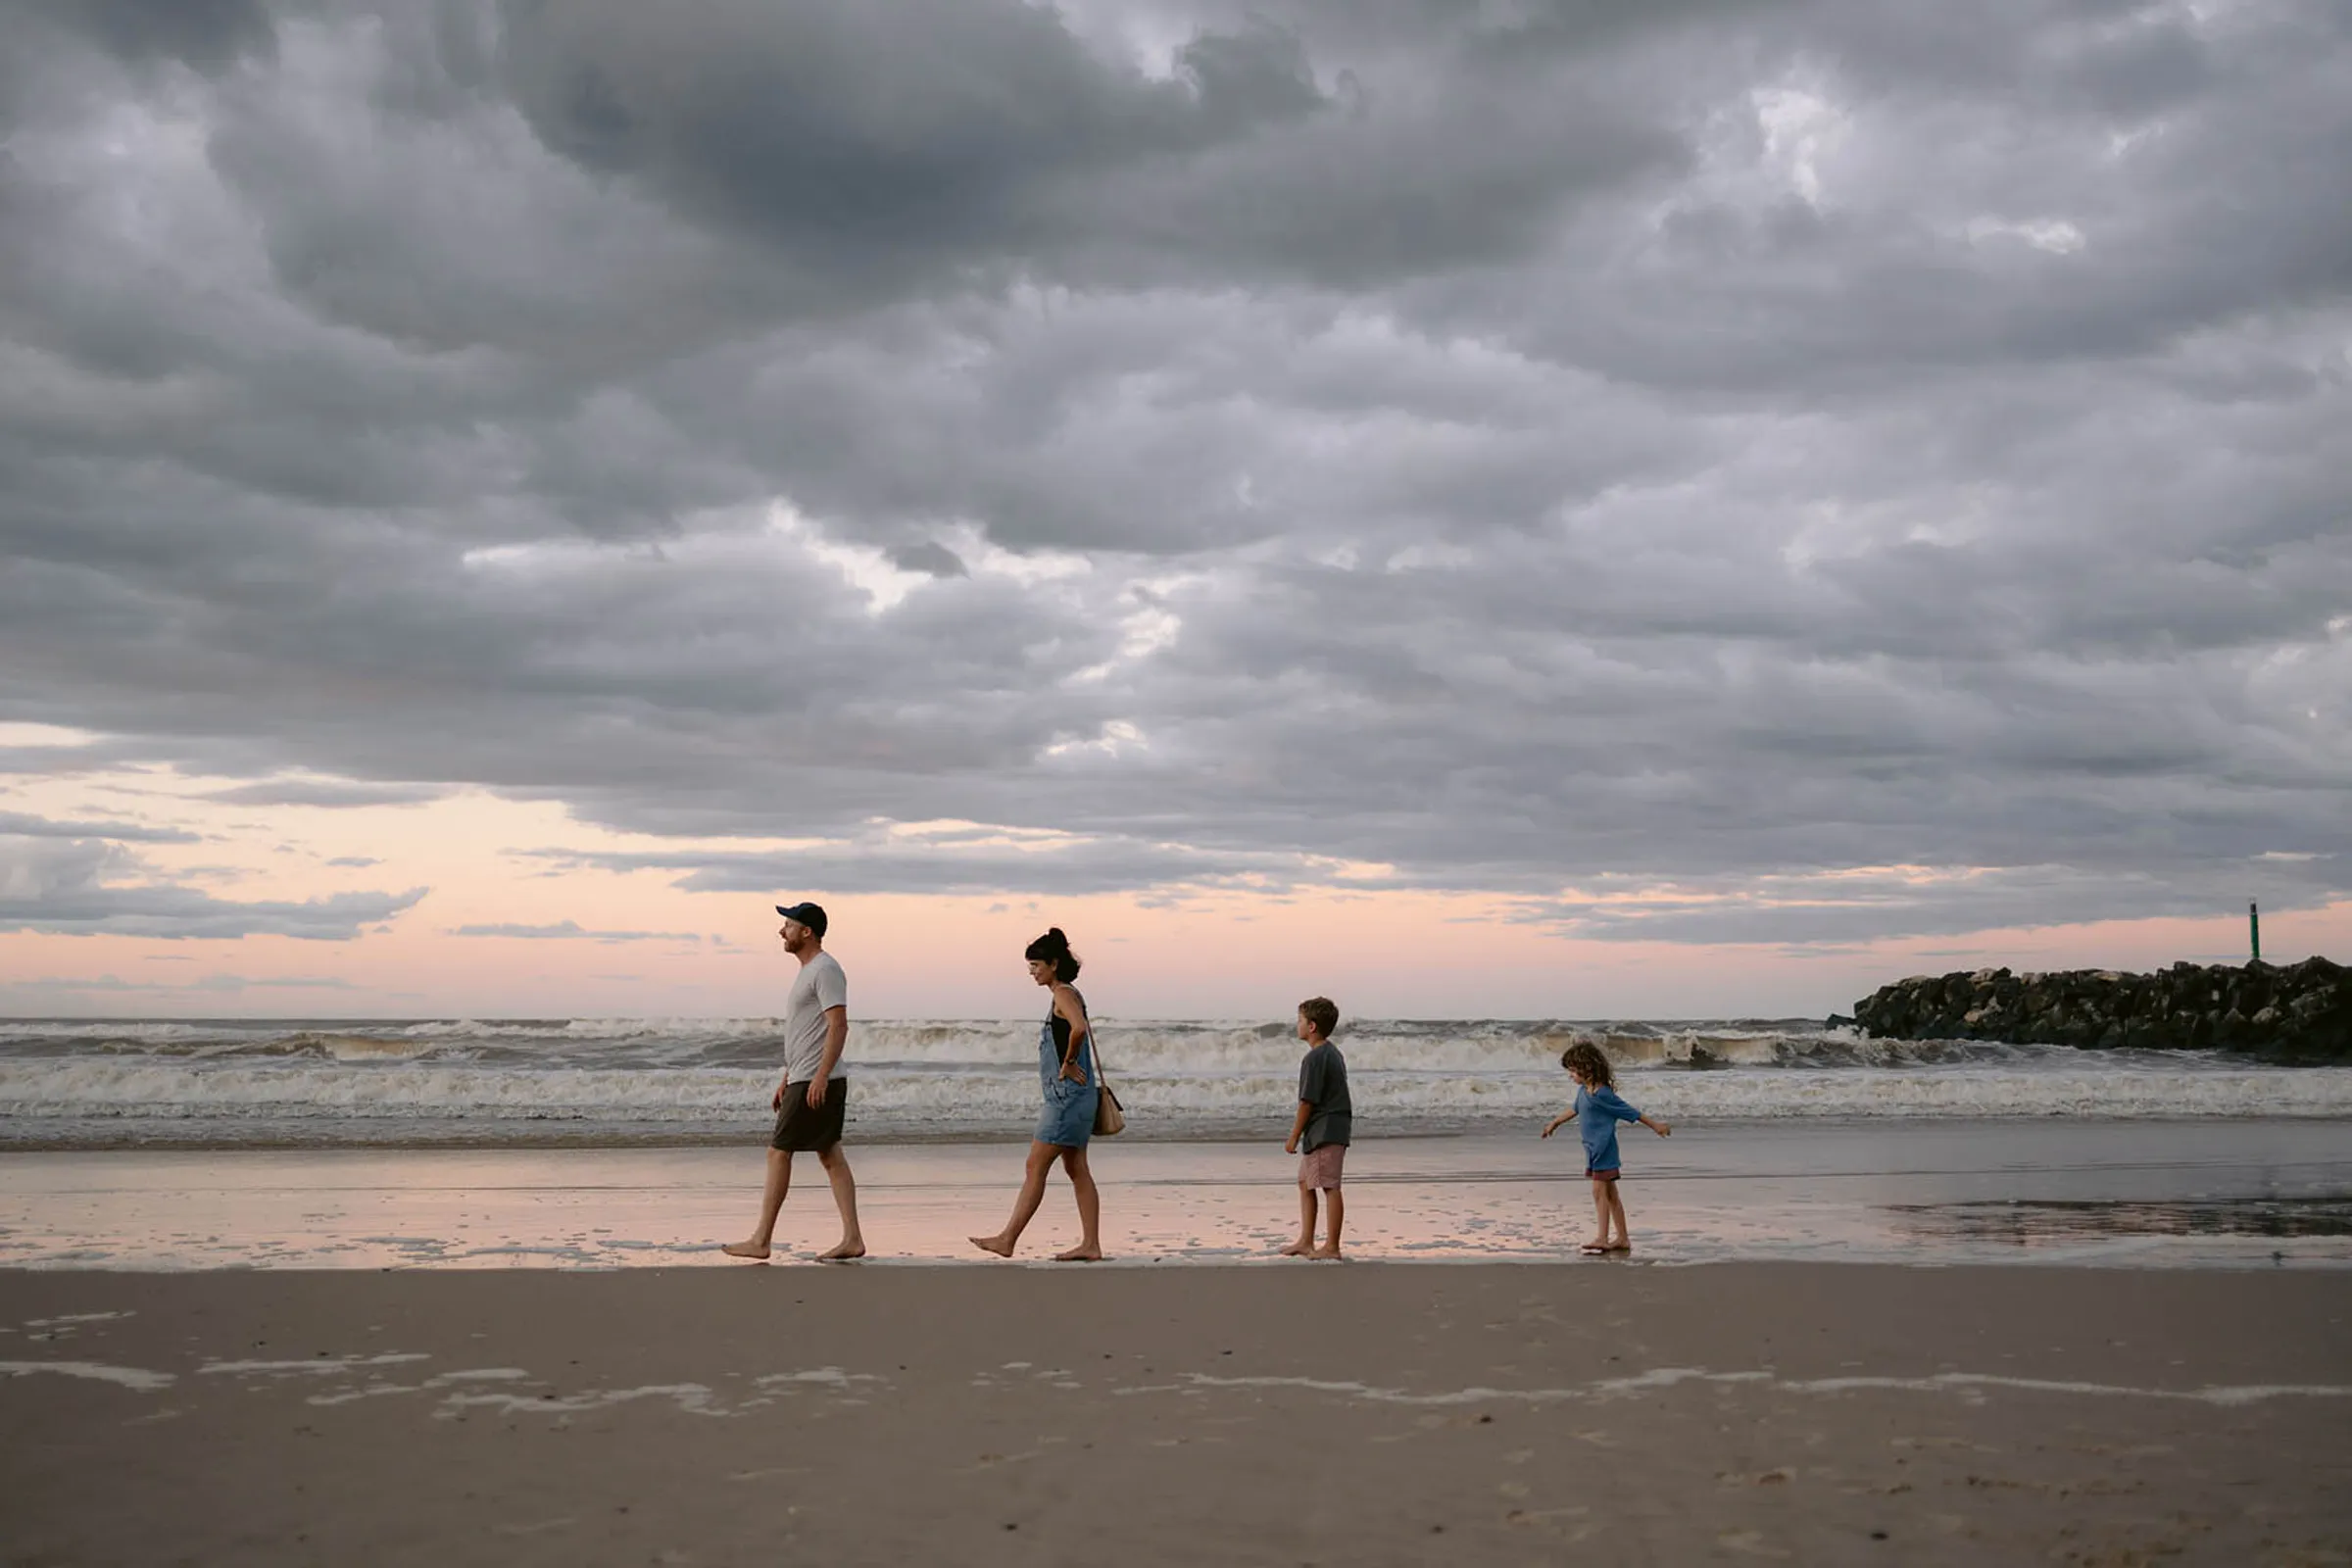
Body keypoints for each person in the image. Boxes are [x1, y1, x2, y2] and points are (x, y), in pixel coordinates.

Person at [722, 902, 865, 1262]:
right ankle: (852, 1238)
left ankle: (761, 1240)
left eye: (788, 925)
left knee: (778, 1152)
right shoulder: (809, 971)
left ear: (807, 932)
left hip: (817, 1079)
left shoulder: (825, 969)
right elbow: (809, 1032)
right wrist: (789, 1075)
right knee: (829, 1154)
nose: (781, 932)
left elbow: (838, 1025)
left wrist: (818, 1076)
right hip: (805, 1076)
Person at [970, 927, 1104, 1262]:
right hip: (1076, 1096)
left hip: (1065, 1099)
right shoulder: (1069, 993)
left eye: (1036, 966)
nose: (1032, 972)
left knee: (1035, 1165)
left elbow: (1078, 1029)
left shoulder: (1062, 994)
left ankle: (1007, 1239)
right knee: (1077, 1169)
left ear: (1054, 964)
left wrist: (1069, 1062)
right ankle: (1091, 1245)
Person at [1542, 1041, 1670, 1255]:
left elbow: (1629, 1111)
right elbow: (1574, 1109)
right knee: (1610, 1194)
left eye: (1573, 1071)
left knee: (1598, 1191)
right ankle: (1622, 1238)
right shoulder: (1584, 1091)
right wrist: (1554, 1123)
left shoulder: (1602, 1094)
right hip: (1592, 1149)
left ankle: (1602, 1237)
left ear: (1587, 1068)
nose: (1570, 1075)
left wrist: (1656, 1126)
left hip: (1603, 1148)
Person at [1282, 996, 1350, 1258]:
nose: (1296, 1025)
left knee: (1329, 1185)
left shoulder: (1315, 1058)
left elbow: (1307, 1102)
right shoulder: (1332, 1052)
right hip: (1327, 1128)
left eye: (1300, 1020)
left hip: (1326, 1130)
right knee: (1305, 1182)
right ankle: (1306, 1240)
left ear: (1311, 1026)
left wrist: (1294, 1136)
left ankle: (1332, 1246)